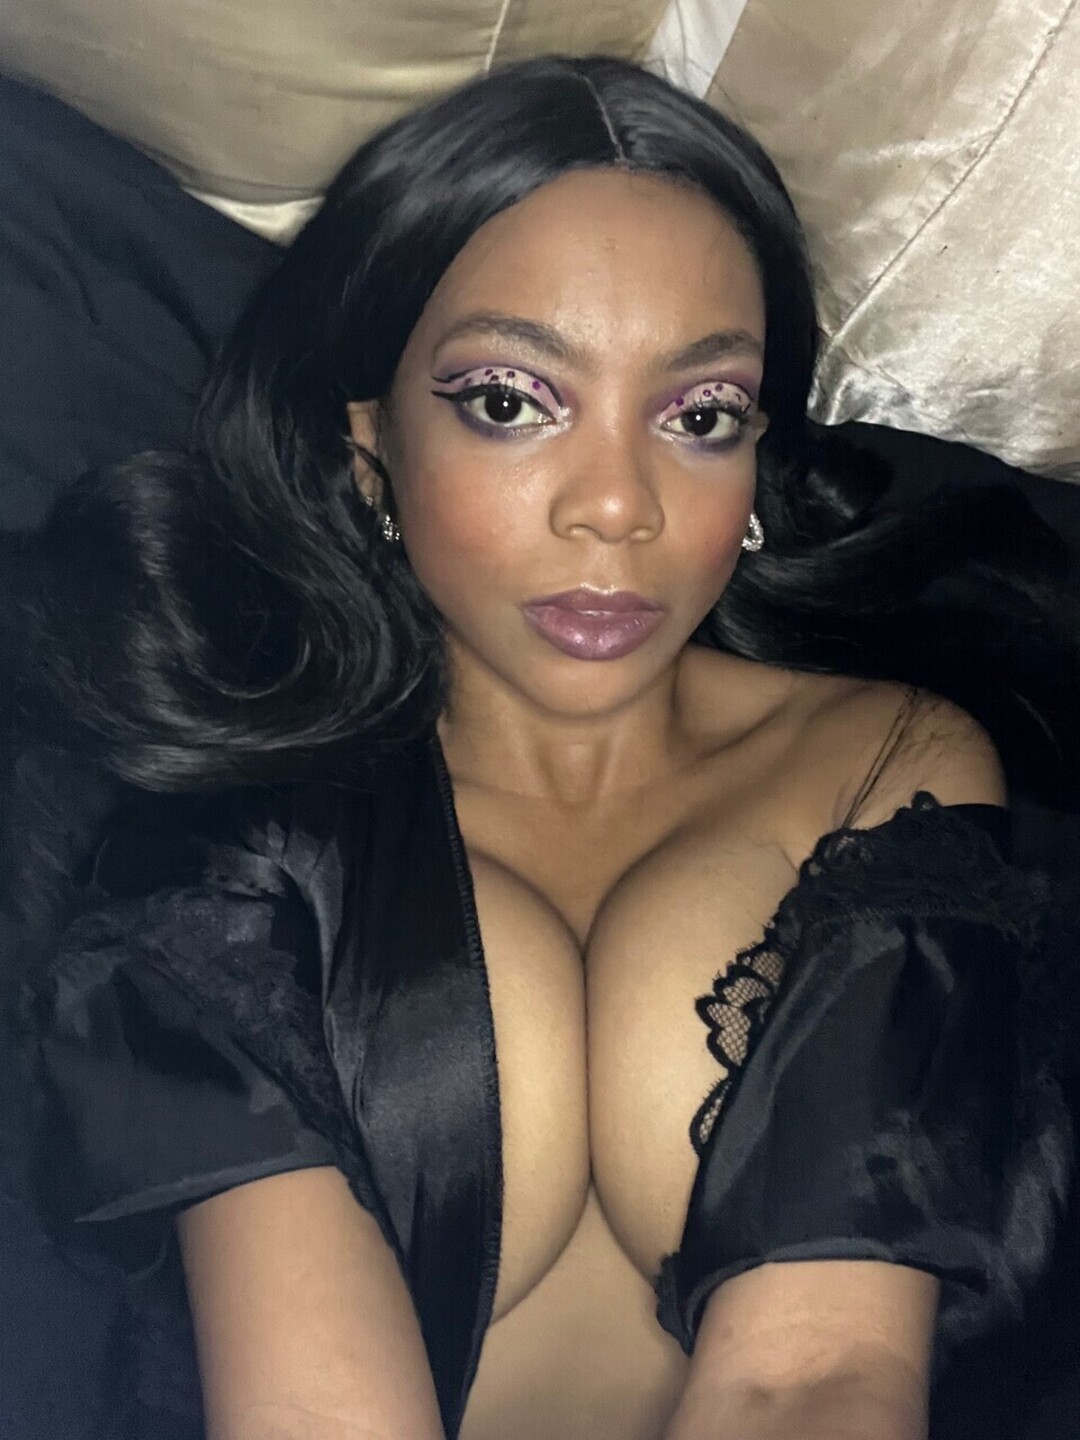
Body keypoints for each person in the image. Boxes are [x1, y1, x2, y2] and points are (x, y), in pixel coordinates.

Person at [1, 53, 1076, 1440]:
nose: (616, 506)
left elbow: (818, 1376)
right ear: (371, 448)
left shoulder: (887, 764)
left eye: (699, 417)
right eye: (511, 401)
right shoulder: (238, 826)